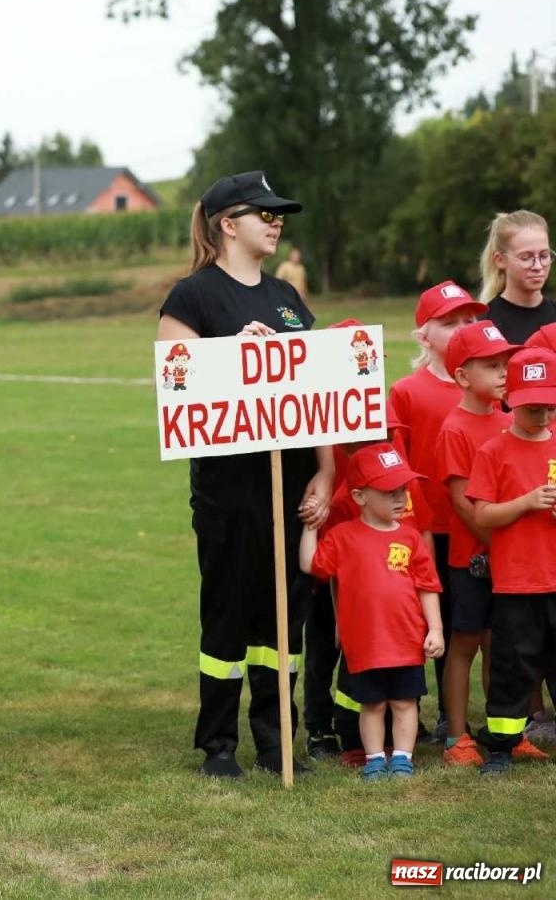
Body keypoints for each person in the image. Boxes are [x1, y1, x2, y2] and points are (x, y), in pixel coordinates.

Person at [156, 171, 332, 778]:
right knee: (229, 610)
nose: (277, 221)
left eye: (279, 213)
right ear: (228, 224)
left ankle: (277, 738)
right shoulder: (193, 297)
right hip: (229, 492)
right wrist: (232, 353)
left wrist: (325, 476)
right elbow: (175, 386)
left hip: (292, 485)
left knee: (283, 616)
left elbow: (316, 394)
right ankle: (219, 744)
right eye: (265, 212)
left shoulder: (287, 295)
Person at [299, 445, 444, 781]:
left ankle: (404, 758)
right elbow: (311, 564)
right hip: (366, 643)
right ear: (359, 496)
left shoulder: (410, 538)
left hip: (406, 639)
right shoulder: (342, 536)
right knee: (373, 705)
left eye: (403, 490)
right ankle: (376, 758)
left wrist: (434, 629)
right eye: (389, 491)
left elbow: (428, 586)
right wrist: (311, 524)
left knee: (405, 702)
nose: (400, 498)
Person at [387, 280, 488, 741]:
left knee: (472, 624)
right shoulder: (407, 391)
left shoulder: (488, 389)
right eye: (451, 324)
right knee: (426, 622)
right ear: (424, 336)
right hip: (423, 532)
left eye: (471, 320)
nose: (464, 329)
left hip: (477, 528)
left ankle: (459, 718)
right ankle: (405, 712)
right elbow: (397, 464)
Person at [466, 345, 556, 774]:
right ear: (510, 401)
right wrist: (526, 502)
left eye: (549, 408)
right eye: (532, 408)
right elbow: (481, 514)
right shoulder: (493, 452)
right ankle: (501, 746)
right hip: (517, 583)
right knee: (511, 666)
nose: (541, 417)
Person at [435, 320, 516, 766]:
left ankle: (503, 729)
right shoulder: (455, 428)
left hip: (510, 557)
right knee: (465, 642)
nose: (504, 372)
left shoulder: (511, 421)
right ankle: (457, 737)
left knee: (498, 644)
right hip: (473, 559)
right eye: (492, 365)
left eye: (506, 363)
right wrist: (502, 545)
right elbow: (464, 504)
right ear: (463, 376)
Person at [479, 210, 556, 343]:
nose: (538, 266)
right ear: (500, 260)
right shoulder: (485, 325)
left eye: (544, 256)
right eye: (526, 257)